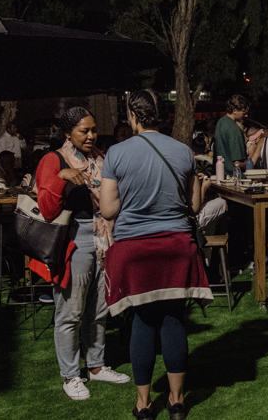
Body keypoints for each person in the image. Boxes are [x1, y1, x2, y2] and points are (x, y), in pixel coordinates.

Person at [100, 91, 212, 420]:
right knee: (173, 319)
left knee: (143, 322)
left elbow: (108, 209)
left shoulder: (117, 153)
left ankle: (144, 404)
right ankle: (177, 402)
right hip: (176, 247)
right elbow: (192, 207)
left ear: (132, 116)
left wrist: (129, 196)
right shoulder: (183, 152)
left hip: (135, 249)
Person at [34, 106, 129, 401]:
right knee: (70, 312)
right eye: (83, 131)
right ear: (67, 133)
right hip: (74, 237)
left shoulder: (100, 158)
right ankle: (71, 375)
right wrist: (62, 178)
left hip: (105, 238)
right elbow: (48, 209)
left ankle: (97, 366)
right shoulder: (53, 160)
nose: (90, 136)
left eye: (93, 129)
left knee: (100, 308)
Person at [214, 95, 250, 171]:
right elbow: (237, 163)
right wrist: (249, 163)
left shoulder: (220, 122)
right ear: (234, 110)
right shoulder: (234, 129)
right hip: (232, 175)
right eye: (244, 112)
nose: (246, 115)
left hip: (219, 172)